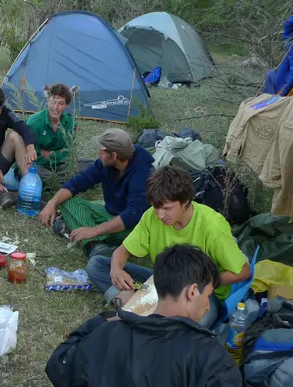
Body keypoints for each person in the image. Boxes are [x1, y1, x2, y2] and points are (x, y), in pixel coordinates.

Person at [46, 244, 293, 387]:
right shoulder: (214, 360)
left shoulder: (110, 334)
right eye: (207, 296)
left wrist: (101, 321)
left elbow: (60, 369)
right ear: (192, 291)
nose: (207, 306)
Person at [86, 166, 251, 327]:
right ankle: (137, 310)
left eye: (166, 208)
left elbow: (243, 272)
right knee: (97, 264)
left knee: (196, 324)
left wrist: (202, 283)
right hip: (162, 283)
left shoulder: (213, 226)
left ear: (186, 200)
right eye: (155, 207)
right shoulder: (152, 216)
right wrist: (116, 269)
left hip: (201, 294)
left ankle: (143, 315)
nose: (160, 215)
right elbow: (122, 251)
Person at [38, 128, 155, 257]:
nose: (98, 155)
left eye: (102, 151)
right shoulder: (105, 164)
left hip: (133, 225)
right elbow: (76, 183)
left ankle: (91, 244)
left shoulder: (142, 173)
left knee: (127, 230)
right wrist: (52, 202)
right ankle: (94, 241)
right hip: (109, 211)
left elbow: (134, 214)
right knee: (67, 202)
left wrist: (94, 231)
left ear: (114, 155)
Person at [25, 83, 75, 180]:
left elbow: (69, 152)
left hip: (60, 165)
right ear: (47, 101)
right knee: (33, 171)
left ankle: (58, 180)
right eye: (52, 102)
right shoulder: (35, 122)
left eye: (61, 103)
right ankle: (58, 181)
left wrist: (49, 154)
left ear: (67, 105)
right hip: (37, 166)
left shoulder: (70, 122)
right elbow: (33, 156)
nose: (55, 107)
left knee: (86, 164)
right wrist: (57, 154)